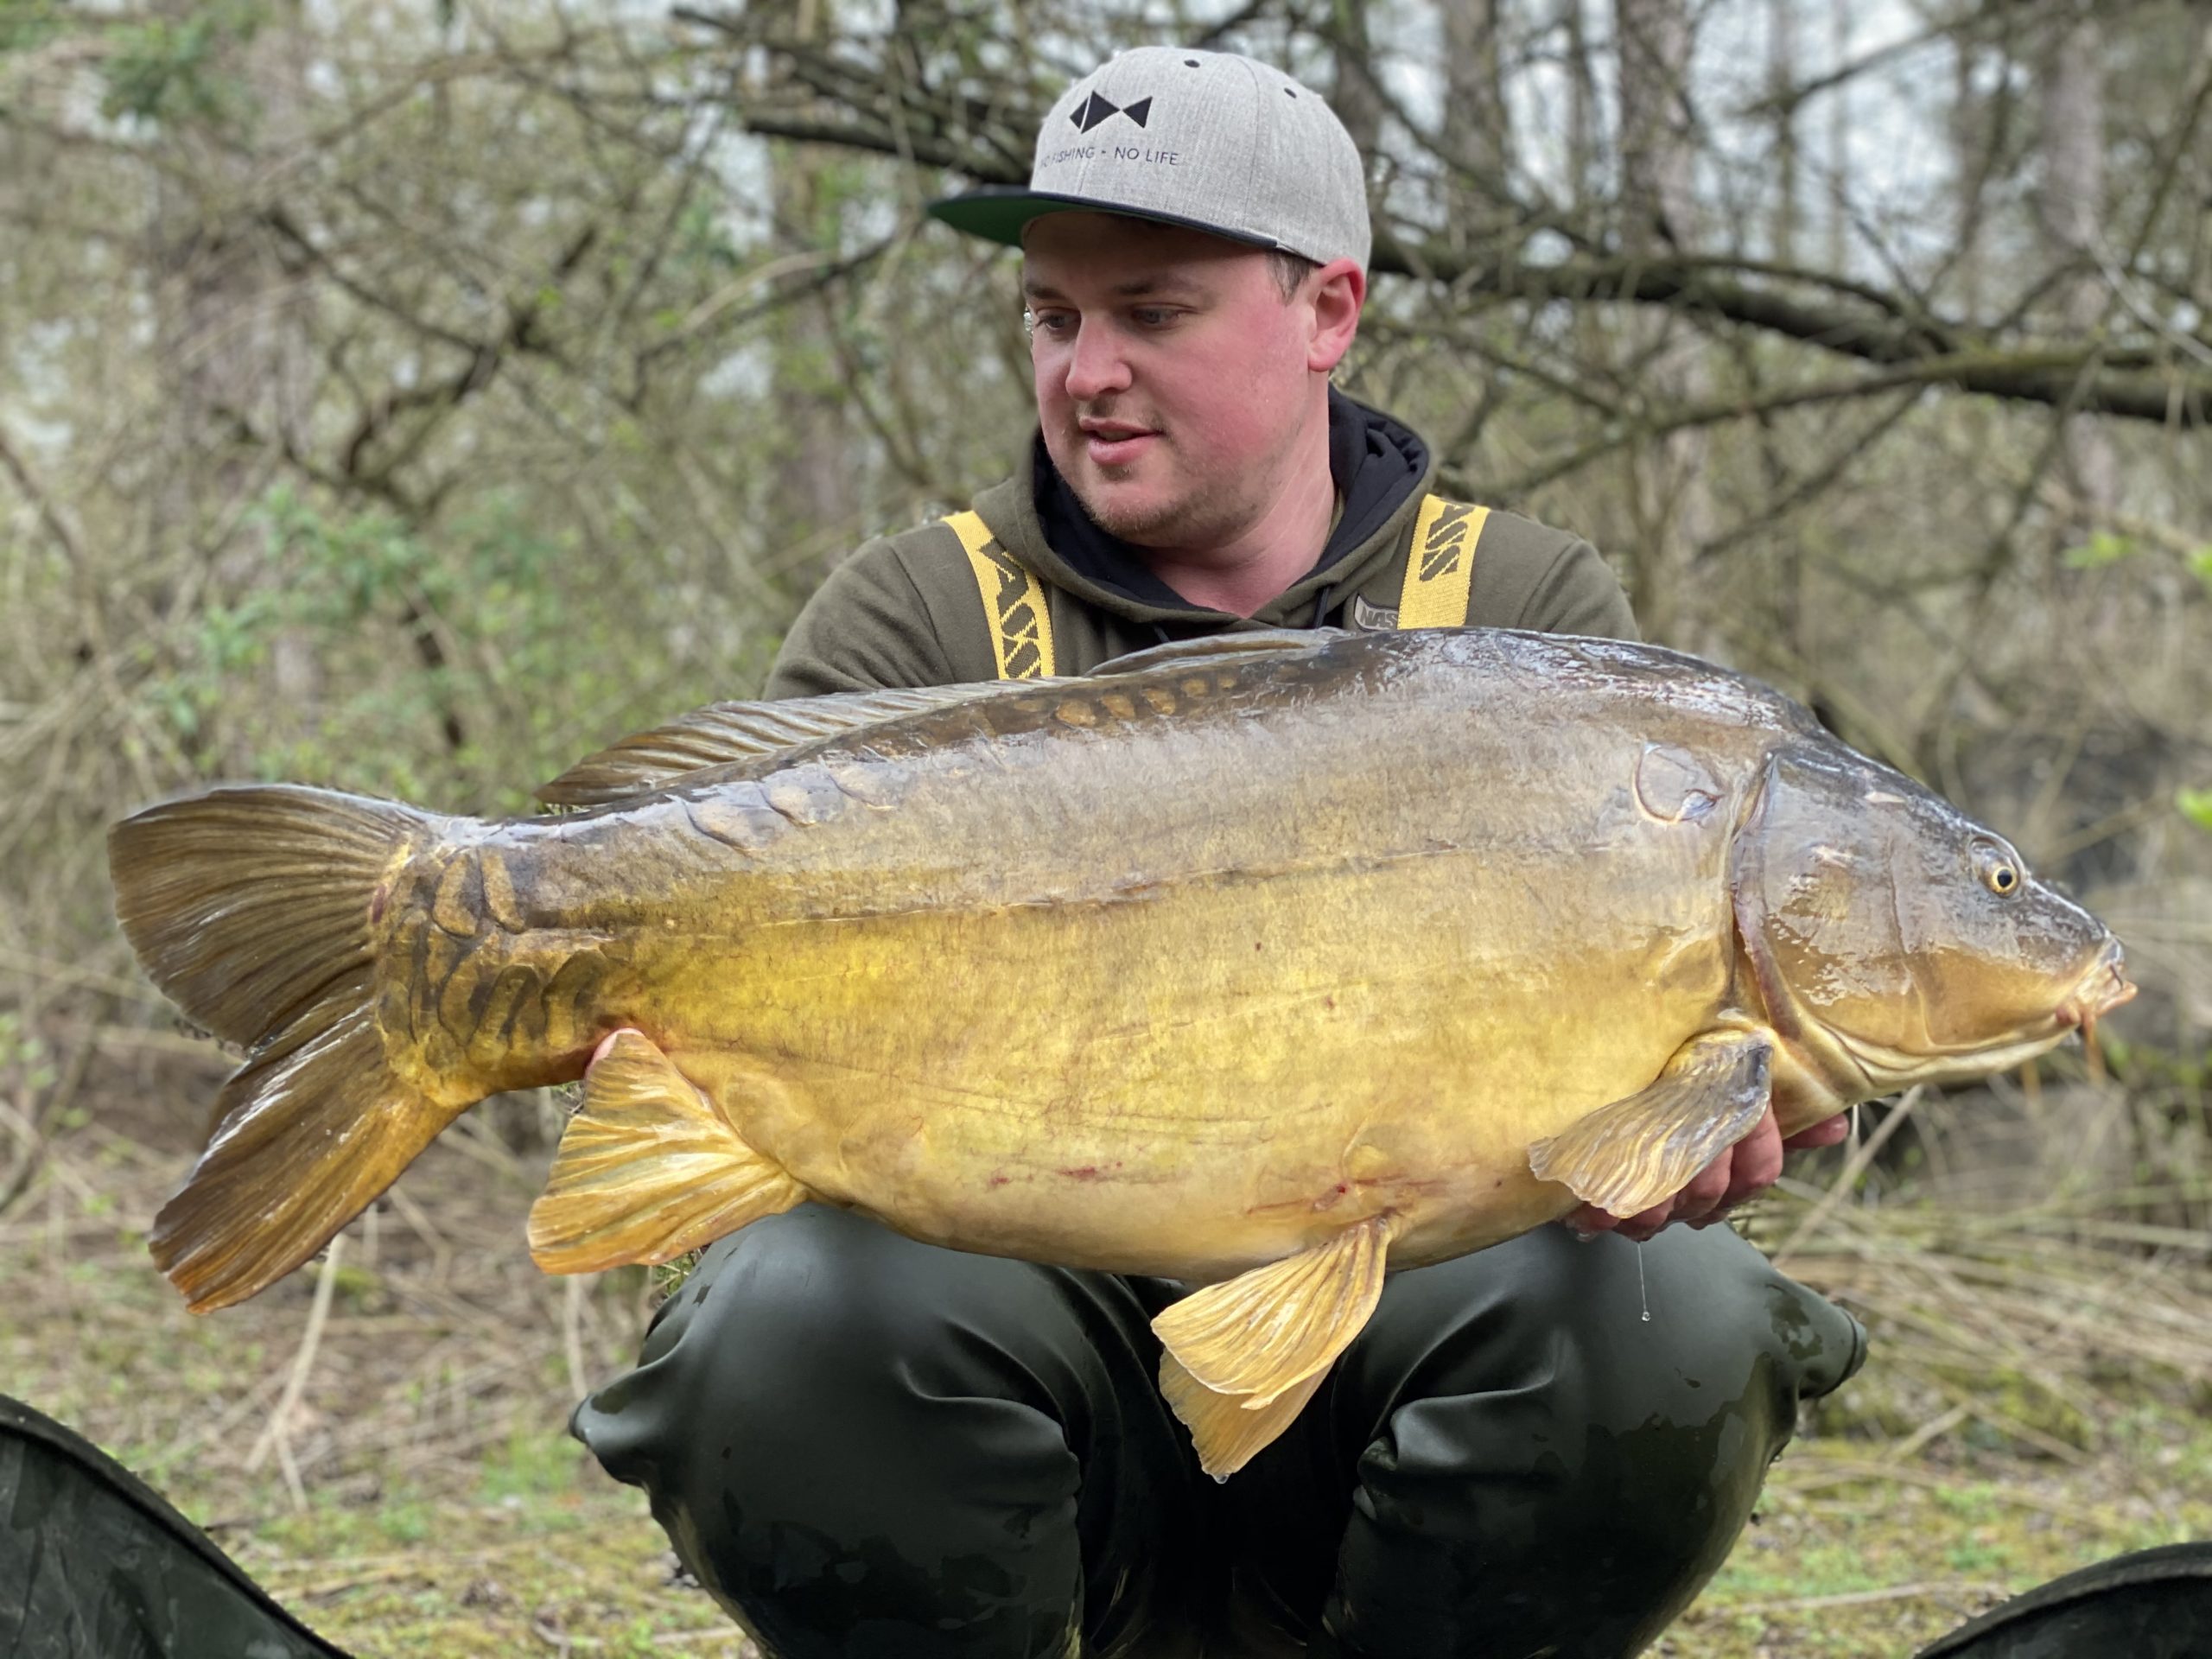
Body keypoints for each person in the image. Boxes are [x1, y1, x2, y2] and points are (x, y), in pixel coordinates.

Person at [570, 46, 1863, 1659]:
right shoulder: (920, 618)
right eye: (1054, 317)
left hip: (1391, 1367)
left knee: (1678, 1317)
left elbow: (1630, 1090)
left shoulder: (1526, 618)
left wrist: (1688, 1129)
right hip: (1020, 1353)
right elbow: (755, 1078)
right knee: (779, 1315)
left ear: (1328, 310)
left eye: (1153, 313)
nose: (1085, 371)